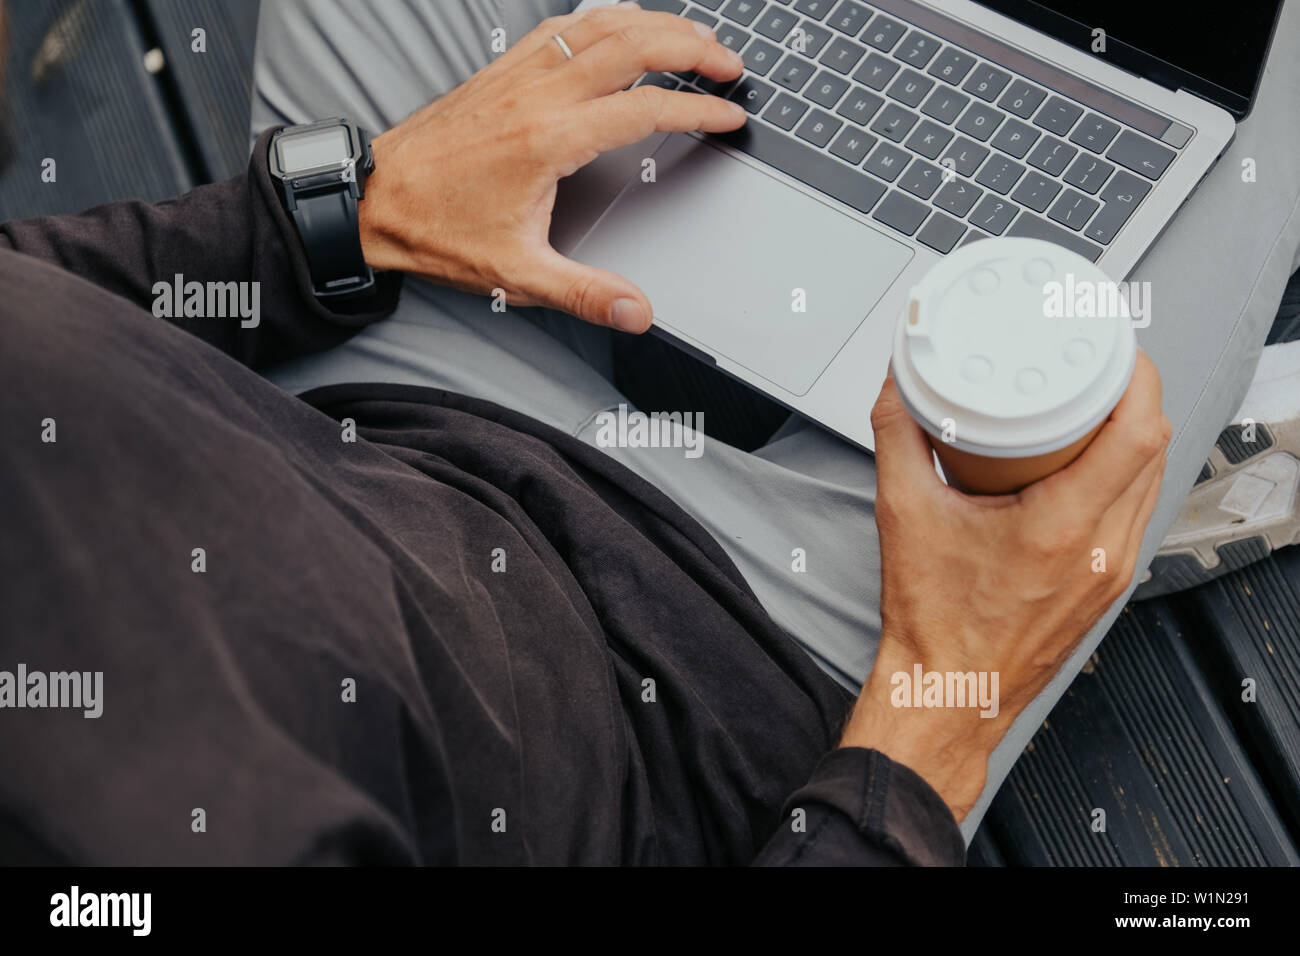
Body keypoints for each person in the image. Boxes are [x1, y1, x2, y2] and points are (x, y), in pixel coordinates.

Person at [0, 2, 1282, 864]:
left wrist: (361, 212)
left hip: (354, 400)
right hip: (732, 676)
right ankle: (1087, 502)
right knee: (1263, 118)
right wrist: (939, 707)